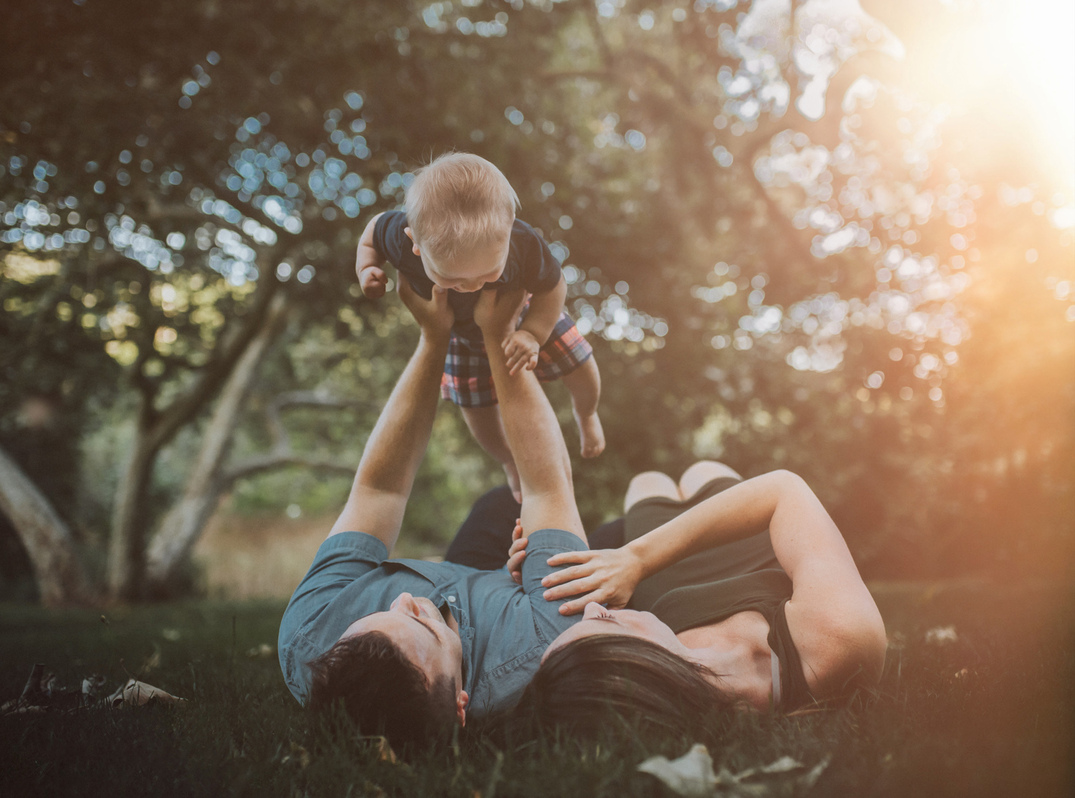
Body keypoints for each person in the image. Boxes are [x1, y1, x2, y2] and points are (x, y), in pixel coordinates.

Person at [277, 282, 588, 752]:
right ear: (461, 704)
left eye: (379, 615)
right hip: (509, 609)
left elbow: (379, 491)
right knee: (583, 527)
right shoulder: (542, 648)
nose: (404, 597)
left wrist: (433, 338)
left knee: (497, 502)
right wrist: (500, 334)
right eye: (421, 622)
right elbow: (549, 486)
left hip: (471, 580)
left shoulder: (310, 631)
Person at [502, 460, 887, 737]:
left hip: (661, 560)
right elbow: (784, 489)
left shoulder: (666, 656)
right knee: (702, 471)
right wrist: (635, 558)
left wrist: (537, 575)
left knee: (647, 478)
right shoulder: (837, 642)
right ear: (643, 668)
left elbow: (598, 598)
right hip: (744, 536)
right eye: (602, 622)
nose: (592, 608)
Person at [354, 152, 604, 501]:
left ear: (508, 230)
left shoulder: (523, 242)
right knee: (477, 412)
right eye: (451, 277)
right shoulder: (396, 235)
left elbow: (553, 287)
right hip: (460, 336)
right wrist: (367, 269)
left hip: (526, 314)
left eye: (488, 274)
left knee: (582, 364)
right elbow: (370, 234)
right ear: (414, 241)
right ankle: (509, 460)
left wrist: (533, 333)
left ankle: (586, 411)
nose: (471, 286)